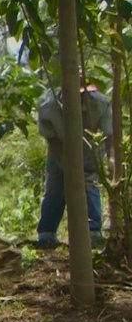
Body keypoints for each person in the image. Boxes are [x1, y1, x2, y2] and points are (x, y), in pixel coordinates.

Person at [34, 80, 111, 247]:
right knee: (55, 188)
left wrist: (108, 160)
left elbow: (109, 135)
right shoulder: (49, 106)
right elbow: (51, 138)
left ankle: (93, 233)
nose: (82, 99)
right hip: (59, 149)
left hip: (90, 150)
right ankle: (46, 235)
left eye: (84, 95)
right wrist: (66, 163)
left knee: (89, 184)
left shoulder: (100, 105)